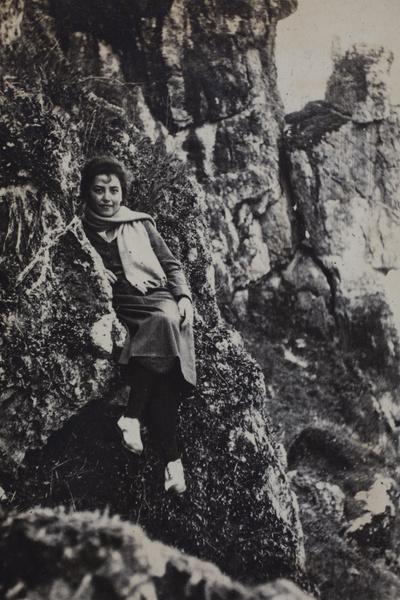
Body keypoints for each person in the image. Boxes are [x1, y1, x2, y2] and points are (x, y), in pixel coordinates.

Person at [80, 156, 196, 494]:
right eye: (99, 190)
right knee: (163, 333)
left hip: (156, 294)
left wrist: (184, 296)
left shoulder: (140, 224)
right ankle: (173, 464)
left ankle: (133, 419)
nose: (107, 197)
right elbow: (82, 271)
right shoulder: (80, 231)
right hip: (124, 304)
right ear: (87, 192)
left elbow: (171, 265)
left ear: (123, 193)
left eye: (114, 190)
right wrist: (97, 272)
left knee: (166, 327)